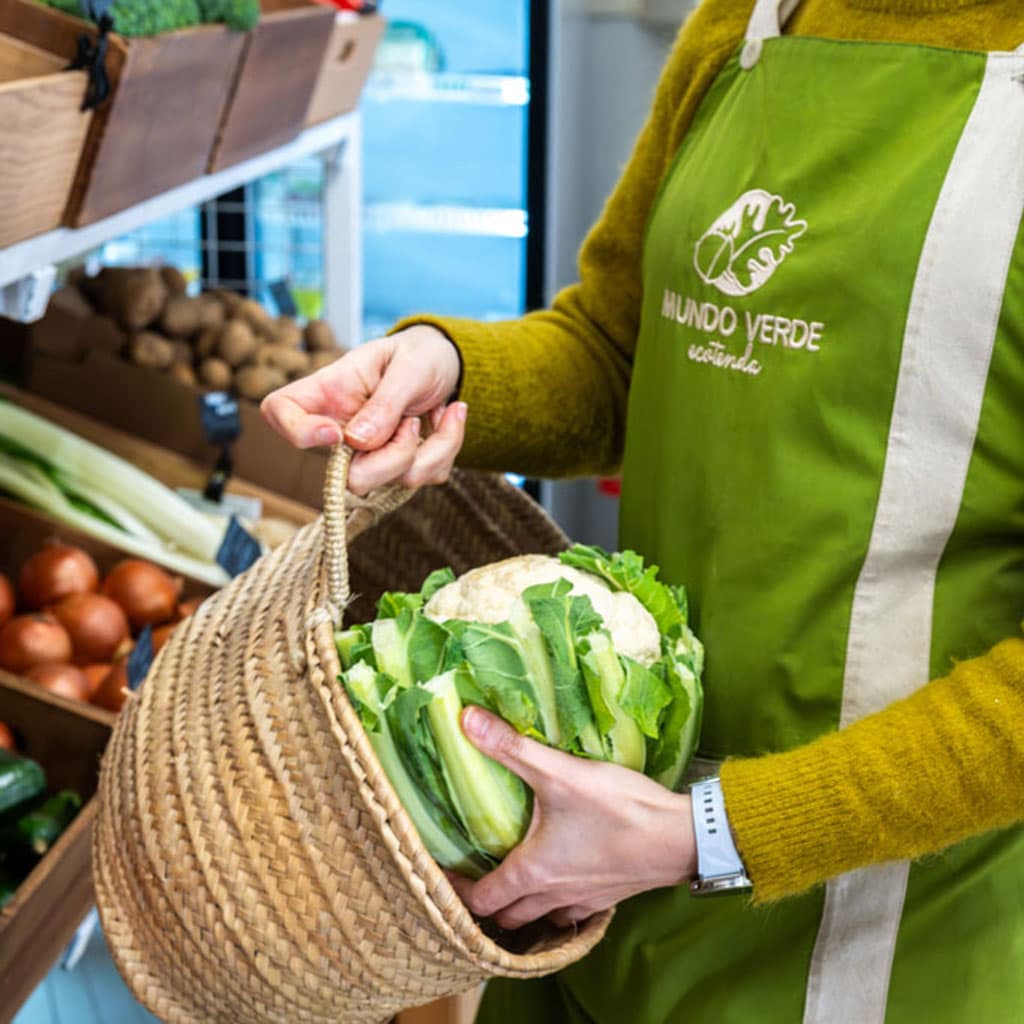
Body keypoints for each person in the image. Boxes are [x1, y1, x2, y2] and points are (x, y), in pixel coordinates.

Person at [262, 0, 1024, 1020]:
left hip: (870, 938)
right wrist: (447, 369)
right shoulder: (743, 23)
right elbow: (621, 349)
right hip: (586, 887)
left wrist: (706, 834)